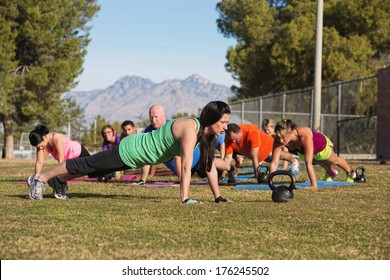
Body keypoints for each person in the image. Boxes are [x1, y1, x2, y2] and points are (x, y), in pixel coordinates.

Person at [26, 101, 233, 204]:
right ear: (212, 118)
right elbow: (186, 166)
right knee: (87, 164)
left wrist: (218, 197)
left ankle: (59, 180)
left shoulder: (206, 136)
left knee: (93, 169)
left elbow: (209, 167)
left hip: (136, 156)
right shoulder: (191, 127)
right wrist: (185, 199)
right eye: (223, 122)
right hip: (131, 149)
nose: (225, 127)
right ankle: (41, 179)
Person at [270, 119, 356, 189]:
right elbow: (274, 163)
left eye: (283, 137)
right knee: (318, 161)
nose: (281, 140)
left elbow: (308, 163)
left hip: (321, 146)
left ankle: (351, 173)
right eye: (278, 138)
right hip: (303, 151)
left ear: (291, 132)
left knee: (333, 160)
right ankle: (330, 172)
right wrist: (270, 182)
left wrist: (313, 185)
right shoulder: (279, 141)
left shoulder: (304, 135)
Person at [28, 124, 91, 199]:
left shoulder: (56, 138)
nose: (40, 148)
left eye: (41, 146)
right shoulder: (41, 144)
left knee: (91, 170)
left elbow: (61, 160)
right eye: (38, 147)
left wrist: (58, 177)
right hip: (69, 159)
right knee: (75, 171)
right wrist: (36, 177)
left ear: (44, 137)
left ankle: (57, 182)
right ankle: (57, 183)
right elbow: (39, 162)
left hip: (79, 153)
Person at [224, 123, 298, 179]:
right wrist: (222, 175)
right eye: (231, 139)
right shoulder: (229, 138)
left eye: (234, 138)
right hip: (258, 154)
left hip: (268, 146)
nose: (233, 141)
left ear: (239, 132)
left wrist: (257, 175)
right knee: (271, 160)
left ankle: (294, 161)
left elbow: (254, 156)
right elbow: (228, 157)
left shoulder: (251, 131)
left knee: (281, 155)